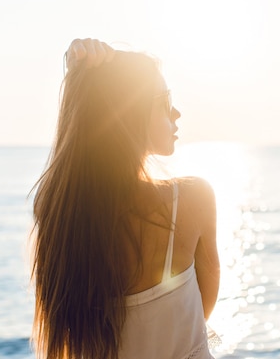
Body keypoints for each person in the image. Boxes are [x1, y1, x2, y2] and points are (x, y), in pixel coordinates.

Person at [31, 38, 220, 359]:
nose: (176, 112)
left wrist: (80, 77)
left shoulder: (60, 214)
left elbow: (81, 133)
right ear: (129, 113)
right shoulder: (191, 199)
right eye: (164, 100)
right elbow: (203, 305)